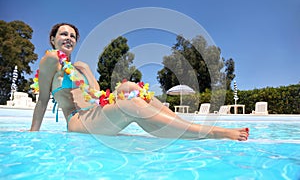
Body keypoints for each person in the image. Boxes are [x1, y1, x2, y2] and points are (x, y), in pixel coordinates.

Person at [30, 23, 249, 141]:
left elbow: (96, 94)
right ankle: (209, 132)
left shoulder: (79, 67)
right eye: (63, 34)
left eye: (73, 36)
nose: (68, 38)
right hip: (78, 121)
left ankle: (182, 127)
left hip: (94, 112)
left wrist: (86, 71)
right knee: (131, 104)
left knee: (131, 88)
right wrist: (33, 135)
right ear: (52, 39)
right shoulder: (51, 60)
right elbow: (41, 102)